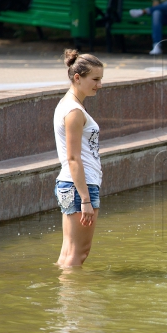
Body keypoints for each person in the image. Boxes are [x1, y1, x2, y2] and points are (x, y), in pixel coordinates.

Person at [54, 49, 104, 267]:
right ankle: (73, 299)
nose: (99, 85)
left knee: (69, 251)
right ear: (77, 77)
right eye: (95, 79)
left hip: (71, 185)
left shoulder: (70, 104)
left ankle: (66, 297)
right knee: (78, 254)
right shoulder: (73, 111)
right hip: (80, 188)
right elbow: (73, 158)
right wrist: (85, 199)